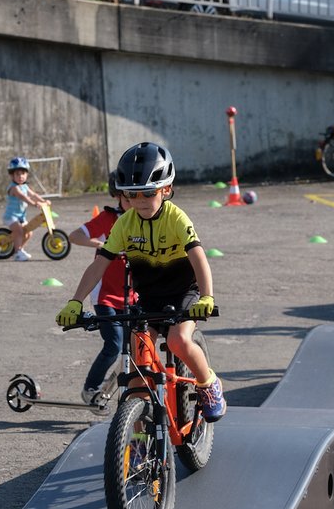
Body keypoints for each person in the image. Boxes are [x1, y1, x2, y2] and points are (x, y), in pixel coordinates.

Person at [56, 142, 226, 422]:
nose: (140, 201)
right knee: (137, 370)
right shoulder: (124, 224)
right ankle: (137, 439)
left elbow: (198, 257)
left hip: (183, 293)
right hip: (147, 298)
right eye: (132, 195)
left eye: (148, 193)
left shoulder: (176, 217)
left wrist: (207, 297)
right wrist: (75, 301)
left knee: (179, 341)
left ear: (166, 190)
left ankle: (209, 384)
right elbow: (99, 263)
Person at [66, 176, 135, 404]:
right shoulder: (108, 218)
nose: (135, 201)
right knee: (114, 345)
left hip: (132, 296)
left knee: (136, 348)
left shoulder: (144, 221)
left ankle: (120, 392)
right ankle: (91, 388)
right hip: (104, 293)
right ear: (118, 196)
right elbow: (74, 236)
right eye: (129, 197)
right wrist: (98, 243)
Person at [2, 157, 50, 262]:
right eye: (17, 174)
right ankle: (17, 253)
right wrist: (35, 204)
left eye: (23, 174)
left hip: (21, 216)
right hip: (11, 216)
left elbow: (33, 194)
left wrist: (43, 201)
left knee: (29, 232)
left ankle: (20, 249)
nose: (20, 177)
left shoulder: (25, 186)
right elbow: (23, 197)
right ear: (12, 175)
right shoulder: (14, 188)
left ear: (26, 174)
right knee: (19, 231)